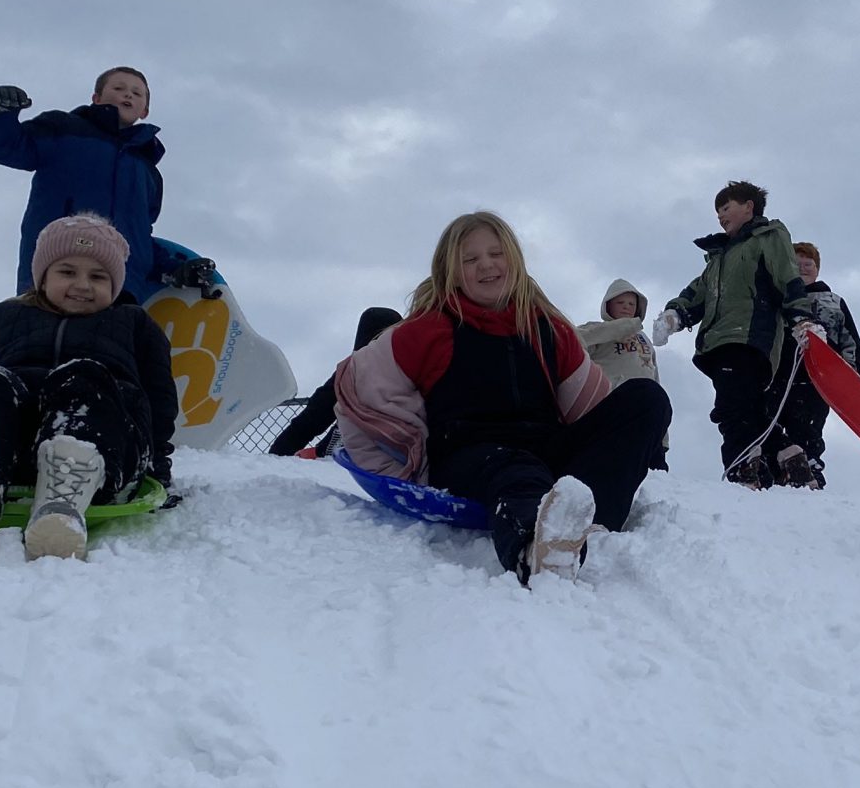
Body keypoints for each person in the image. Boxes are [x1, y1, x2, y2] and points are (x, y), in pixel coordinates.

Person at [332, 212, 673, 584]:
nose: (487, 265)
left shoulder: (547, 327)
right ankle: (536, 549)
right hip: (470, 455)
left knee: (647, 398)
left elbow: (589, 405)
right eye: (470, 259)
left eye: (496, 254)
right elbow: (360, 385)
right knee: (515, 469)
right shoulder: (430, 330)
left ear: (513, 258)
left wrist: (623, 444)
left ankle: (590, 521)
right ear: (451, 271)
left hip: (543, 449)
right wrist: (400, 463)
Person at [0, 215, 178, 561]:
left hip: (103, 449)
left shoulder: (136, 323)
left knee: (85, 376)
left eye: (98, 276)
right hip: (7, 450)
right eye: (67, 271)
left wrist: (159, 470)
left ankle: (62, 507)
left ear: (116, 284)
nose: (83, 284)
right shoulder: (2, 317)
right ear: (42, 276)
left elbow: (159, 399)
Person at [0, 67, 217, 300]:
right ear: (97, 98)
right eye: (119, 87)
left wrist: (174, 270)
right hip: (57, 272)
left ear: (145, 110)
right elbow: (6, 145)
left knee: (112, 341)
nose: (128, 94)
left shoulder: (148, 173)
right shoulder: (64, 129)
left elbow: (139, 235)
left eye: (137, 93)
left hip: (120, 289)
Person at [652, 180, 816, 488]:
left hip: (749, 336)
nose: (720, 215)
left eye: (726, 207)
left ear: (748, 207)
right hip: (720, 341)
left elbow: (786, 277)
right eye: (717, 211)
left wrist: (801, 318)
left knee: (730, 408)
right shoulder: (720, 257)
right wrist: (675, 314)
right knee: (748, 407)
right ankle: (788, 458)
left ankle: (743, 470)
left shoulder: (768, 237)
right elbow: (698, 292)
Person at [769, 241, 860, 488]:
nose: (802, 268)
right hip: (781, 374)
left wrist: (849, 376)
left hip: (818, 379)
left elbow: (849, 339)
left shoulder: (832, 301)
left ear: (817, 269)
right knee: (775, 420)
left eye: (808, 264)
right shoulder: (777, 300)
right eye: (797, 263)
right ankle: (776, 470)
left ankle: (811, 467)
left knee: (809, 424)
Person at [268, 306, 403, 459]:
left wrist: (320, 450)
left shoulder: (400, 375)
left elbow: (315, 417)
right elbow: (315, 415)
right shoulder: (352, 371)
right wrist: (278, 455)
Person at [576, 280, 668, 470]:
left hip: (646, 415)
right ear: (608, 305)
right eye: (620, 303)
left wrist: (663, 436)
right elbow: (572, 342)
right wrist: (615, 329)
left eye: (631, 304)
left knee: (654, 476)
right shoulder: (595, 329)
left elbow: (655, 378)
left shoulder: (645, 341)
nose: (626, 307)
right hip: (609, 412)